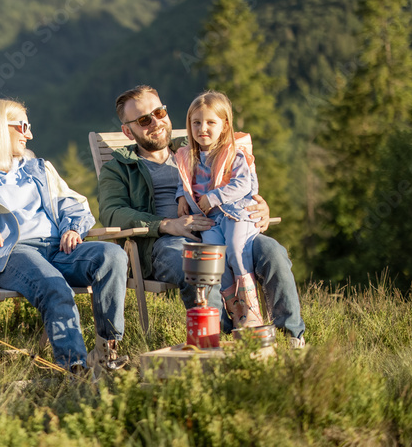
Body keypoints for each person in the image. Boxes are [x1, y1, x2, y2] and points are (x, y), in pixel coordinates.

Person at [0, 99, 130, 374]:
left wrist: (72, 227)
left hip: (57, 248)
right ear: (1, 129)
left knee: (113, 256)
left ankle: (106, 351)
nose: (29, 134)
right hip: (13, 253)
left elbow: (72, 203)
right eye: (23, 126)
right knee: (53, 284)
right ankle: (75, 368)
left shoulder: (39, 169)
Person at [97, 85, 305, 346]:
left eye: (159, 112)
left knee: (272, 252)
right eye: (143, 120)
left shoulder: (197, 149)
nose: (156, 123)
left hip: (226, 225)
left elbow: (239, 178)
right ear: (128, 131)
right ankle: (220, 344)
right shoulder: (119, 168)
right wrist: (166, 224)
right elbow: (112, 213)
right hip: (167, 242)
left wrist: (259, 206)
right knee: (201, 267)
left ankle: (290, 338)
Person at [175, 91, 264, 330]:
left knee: (236, 249)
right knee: (216, 258)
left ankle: (251, 310)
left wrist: (213, 197)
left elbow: (243, 184)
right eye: (196, 122)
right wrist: (180, 197)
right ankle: (234, 310)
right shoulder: (188, 156)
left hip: (235, 213)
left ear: (225, 126)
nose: (202, 128)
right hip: (211, 220)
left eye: (210, 122)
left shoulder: (234, 154)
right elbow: (183, 180)